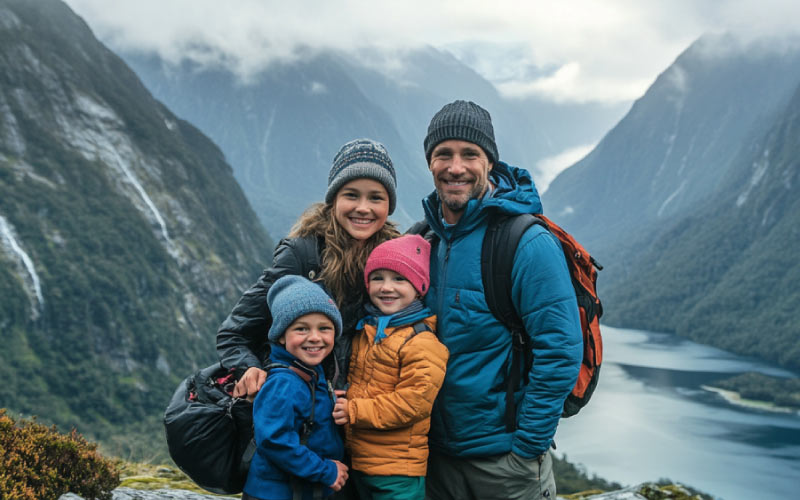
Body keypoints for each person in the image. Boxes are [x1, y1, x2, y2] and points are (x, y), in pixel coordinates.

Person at [419, 100, 583, 500]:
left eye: (470, 154)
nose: (455, 167)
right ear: (429, 163)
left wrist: (526, 450)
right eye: (443, 154)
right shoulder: (424, 239)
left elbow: (561, 350)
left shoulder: (525, 242)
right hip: (434, 462)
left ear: (489, 162)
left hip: (503, 466)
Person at [216, 138, 401, 397]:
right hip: (302, 411)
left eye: (376, 197)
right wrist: (248, 369)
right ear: (333, 199)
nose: (363, 207)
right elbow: (234, 332)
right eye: (351, 195)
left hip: (365, 412)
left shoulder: (397, 261)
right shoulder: (303, 256)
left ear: (388, 205)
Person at [332, 235, 449, 500]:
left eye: (399, 279)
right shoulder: (368, 330)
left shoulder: (421, 341)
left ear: (419, 287)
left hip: (398, 472)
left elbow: (414, 403)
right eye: (378, 278)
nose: (387, 287)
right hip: (361, 460)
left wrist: (354, 410)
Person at [243, 275, 348, 500]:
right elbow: (274, 440)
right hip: (275, 493)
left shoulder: (311, 373)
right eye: (301, 329)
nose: (315, 338)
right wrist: (326, 471)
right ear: (281, 336)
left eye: (324, 328)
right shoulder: (283, 382)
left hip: (299, 490)